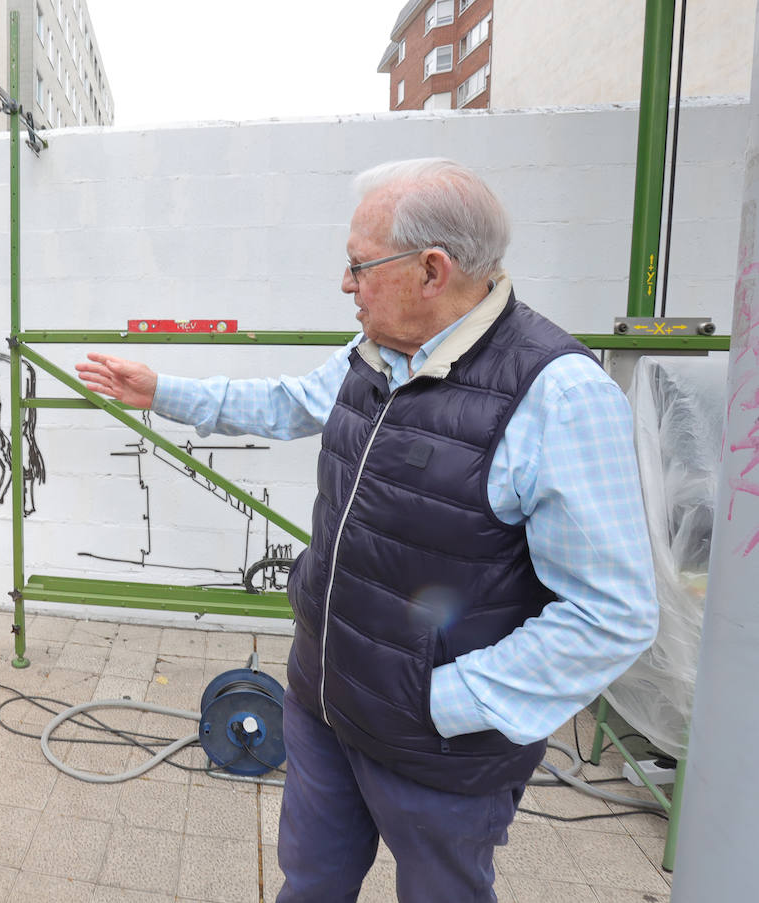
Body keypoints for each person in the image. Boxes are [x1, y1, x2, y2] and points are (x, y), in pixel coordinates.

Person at [77, 158, 658, 903]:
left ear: (431, 270)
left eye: (358, 266)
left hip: (438, 748)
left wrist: (445, 698)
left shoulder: (559, 395)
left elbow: (612, 612)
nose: (345, 285)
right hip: (324, 704)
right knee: (312, 882)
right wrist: (162, 391)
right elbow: (287, 402)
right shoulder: (378, 354)